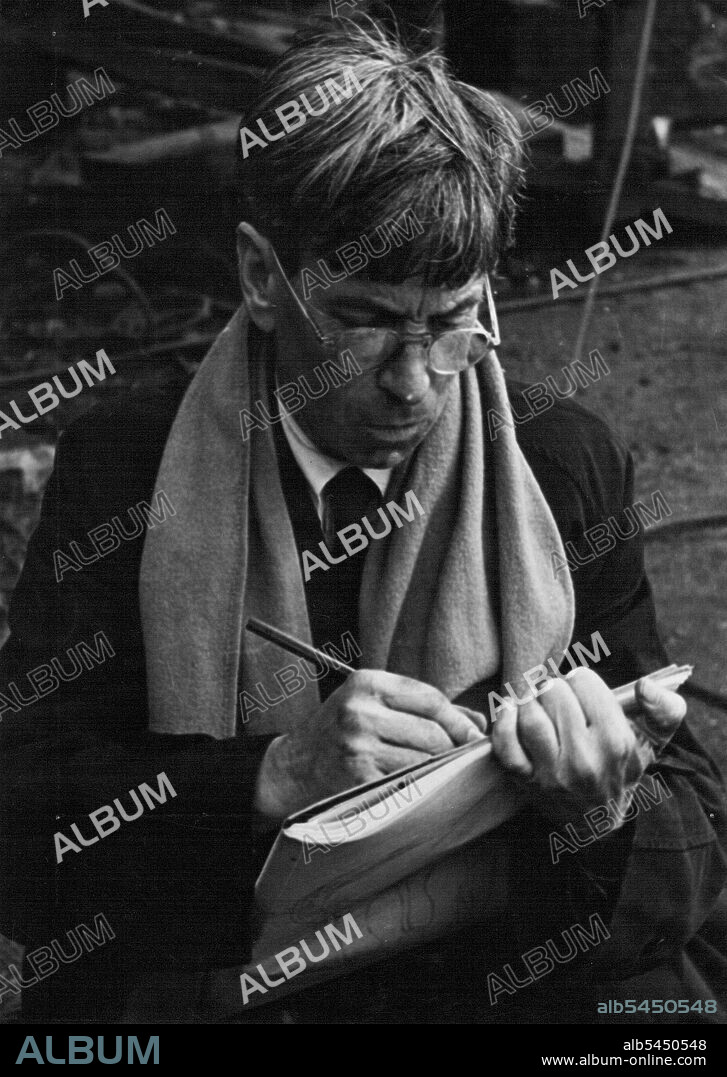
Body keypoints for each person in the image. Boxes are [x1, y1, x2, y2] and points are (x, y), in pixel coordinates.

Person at [0, 23, 725, 1025]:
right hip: (234, 969)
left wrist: (599, 814)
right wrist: (270, 775)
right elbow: (27, 817)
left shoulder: (559, 463)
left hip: (477, 971)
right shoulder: (130, 468)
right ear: (261, 277)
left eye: (453, 318)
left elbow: (687, 837)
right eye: (366, 318)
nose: (413, 381)